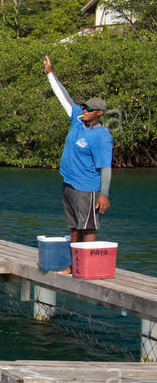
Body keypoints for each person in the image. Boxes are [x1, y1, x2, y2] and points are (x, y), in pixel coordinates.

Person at [44, 55, 113, 249]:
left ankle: (86, 267)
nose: (85, 110)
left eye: (89, 109)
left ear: (98, 113)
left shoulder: (101, 136)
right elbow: (63, 97)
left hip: (87, 189)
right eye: (84, 107)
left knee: (88, 227)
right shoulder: (77, 120)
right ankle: (73, 264)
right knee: (74, 227)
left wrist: (104, 194)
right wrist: (51, 74)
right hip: (69, 185)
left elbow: (106, 168)